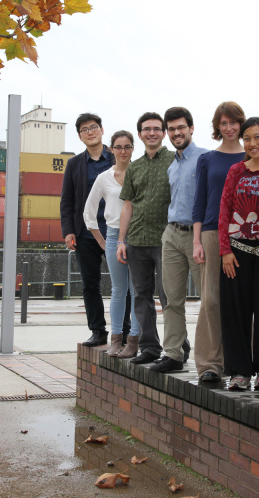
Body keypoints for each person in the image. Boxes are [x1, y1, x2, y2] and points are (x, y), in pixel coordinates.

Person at [116, 112, 189, 365]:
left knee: (169, 295)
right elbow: (128, 205)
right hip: (136, 240)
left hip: (166, 240)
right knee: (141, 297)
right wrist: (121, 240)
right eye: (147, 129)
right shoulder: (133, 167)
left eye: (157, 129)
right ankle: (149, 348)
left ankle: (178, 345)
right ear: (140, 134)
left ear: (164, 133)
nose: (152, 133)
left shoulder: (174, 160)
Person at [218, 117, 259, 391]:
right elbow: (224, 210)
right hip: (237, 253)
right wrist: (224, 251)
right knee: (236, 313)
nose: (252, 143)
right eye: (247, 138)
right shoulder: (236, 170)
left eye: (257, 137)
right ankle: (240, 373)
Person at [150, 107, 209, 373]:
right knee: (171, 300)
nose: (176, 133)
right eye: (171, 129)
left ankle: (211, 360)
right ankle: (173, 354)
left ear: (191, 128)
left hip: (199, 236)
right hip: (172, 234)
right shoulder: (172, 166)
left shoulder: (206, 158)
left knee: (209, 301)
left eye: (181, 127)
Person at [61, 113, 127, 347]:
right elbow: (67, 200)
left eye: (94, 127)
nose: (90, 132)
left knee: (124, 285)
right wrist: (68, 230)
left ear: (101, 130)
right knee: (90, 284)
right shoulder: (74, 164)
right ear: (80, 136)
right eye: (84, 129)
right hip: (86, 233)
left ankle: (125, 331)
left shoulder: (118, 155)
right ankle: (98, 331)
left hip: (117, 231)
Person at [192, 101, 246, 383]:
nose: (229, 128)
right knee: (211, 300)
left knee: (240, 302)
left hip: (245, 235)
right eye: (223, 123)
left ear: (241, 123)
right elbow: (199, 202)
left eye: (233, 122)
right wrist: (196, 241)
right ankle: (210, 365)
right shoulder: (207, 159)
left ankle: (239, 365)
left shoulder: (252, 155)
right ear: (217, 126)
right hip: (212, 233)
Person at [83, 130, 140, 358]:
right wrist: (102, 241)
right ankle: (116, 339)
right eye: (118, 147)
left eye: (127, 147)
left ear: (133, 148)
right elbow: (89, 211)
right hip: (114, 235)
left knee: (138, 291)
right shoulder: (104, 178)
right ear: (112, 149)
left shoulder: (140, 173)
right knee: (118, 290)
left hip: (138, 236)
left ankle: (134, 339)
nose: (123, 151)